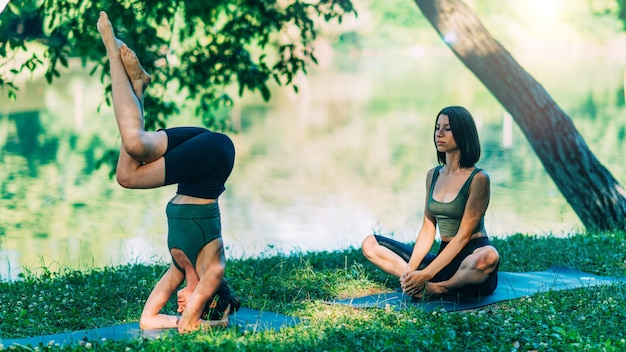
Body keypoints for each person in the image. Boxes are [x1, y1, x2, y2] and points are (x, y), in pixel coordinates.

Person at [96, 11, 239, 333]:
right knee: (133, 144)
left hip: (198, 165)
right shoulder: (213, 270)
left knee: (128, 169)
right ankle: (110, 51)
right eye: (196, 304)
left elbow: (148, 321)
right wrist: (215, 321)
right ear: (208, 302)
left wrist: (177, 318)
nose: (180, 303)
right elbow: (189, 326)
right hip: (215, 157)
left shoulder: (178, 269)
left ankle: (139, 86)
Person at [361, 106, 500, 298]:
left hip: (471, 259)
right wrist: (411, 270)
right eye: (437, 127)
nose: (439, 134)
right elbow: (428, 229)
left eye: (447, 129)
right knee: (370, 244)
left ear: (463, 133)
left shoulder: (479, 179)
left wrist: (427, 273)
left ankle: (438, 288)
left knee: (489, 256)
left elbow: (462, 237)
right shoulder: (433, 175)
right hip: (444, 257)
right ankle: (414, 284)